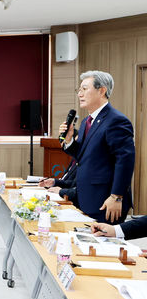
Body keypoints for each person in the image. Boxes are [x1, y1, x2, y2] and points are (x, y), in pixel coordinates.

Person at [60, 70, 135, 223]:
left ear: (102, 91)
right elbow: (82, 156)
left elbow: (125, 161)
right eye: (79, 90)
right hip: (86, 196)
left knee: (106, 244)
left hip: (106, 199)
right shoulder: (86, 121)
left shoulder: (116, 120)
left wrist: (116, 196)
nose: (80, 94)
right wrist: (69, 141)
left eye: (84, 89)